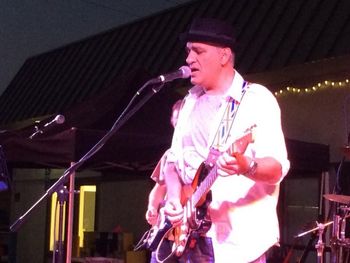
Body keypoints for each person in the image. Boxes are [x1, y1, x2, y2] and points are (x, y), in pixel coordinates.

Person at [160, 18, 290, 263]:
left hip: (238, 245)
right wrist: (175, 198)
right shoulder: (188, 102)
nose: (188, 59)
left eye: (198, 51)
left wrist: (247, 166)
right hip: (190, 238)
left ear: (224, 56)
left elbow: (277, 168)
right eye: (188, 52)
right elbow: (172, 162)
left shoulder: (256, 99)